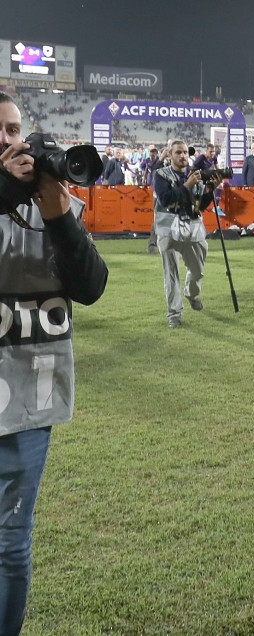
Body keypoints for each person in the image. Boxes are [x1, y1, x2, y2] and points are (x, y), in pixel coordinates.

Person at [0, 92, 108, 634]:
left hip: (27, 396)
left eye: (14, 128)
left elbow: (90, 288)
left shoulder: (50, 203)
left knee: (11, 549)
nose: (7, 139)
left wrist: (59, 213)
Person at [152, 139, 219, 328]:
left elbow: (199, 206)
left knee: (198, 270)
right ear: (170, 156)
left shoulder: (194, 175)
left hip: (192, 227)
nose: (182, 156)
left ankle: (191, 294)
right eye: (178, 153)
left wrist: (210, 190)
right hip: (167, 228)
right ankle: (174, 313)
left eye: (185, 153)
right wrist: (187, 185)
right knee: (171, 272)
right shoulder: (161, 175)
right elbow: (165, 199)